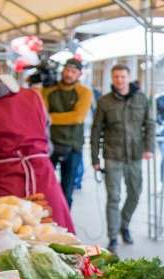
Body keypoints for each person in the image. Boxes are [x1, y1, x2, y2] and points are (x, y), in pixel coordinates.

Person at [0, 39, 74, 233]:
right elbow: (48, 145)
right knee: (57, 242)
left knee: (9, 249)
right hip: (45, 180)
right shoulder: (34, 96)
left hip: (5, 186)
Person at [90, 64, 154, 253]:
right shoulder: (104, 102)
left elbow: (149, 124)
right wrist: (95, 158)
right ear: (112, 78)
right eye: (116, 77)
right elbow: (96, 131)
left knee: (135, 194)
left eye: (123, 77)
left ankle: (123, 225)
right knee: (114, 197)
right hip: (113, 155)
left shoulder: (141, 99)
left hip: (135, 155)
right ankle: (112, 238)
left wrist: (149, 147)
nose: (119, 80)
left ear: (129, 77)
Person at [42, 58, 93, 206]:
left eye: (73, 71)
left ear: (79, 74)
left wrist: (50, 118)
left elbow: (77, 117)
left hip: (72, 146)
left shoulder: (84, 92)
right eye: (67, 70)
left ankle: (65, 223)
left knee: (67, 189)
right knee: (45, 187)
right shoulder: (49, 90)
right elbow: (42, 113)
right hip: (50, 144)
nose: (69, 74)